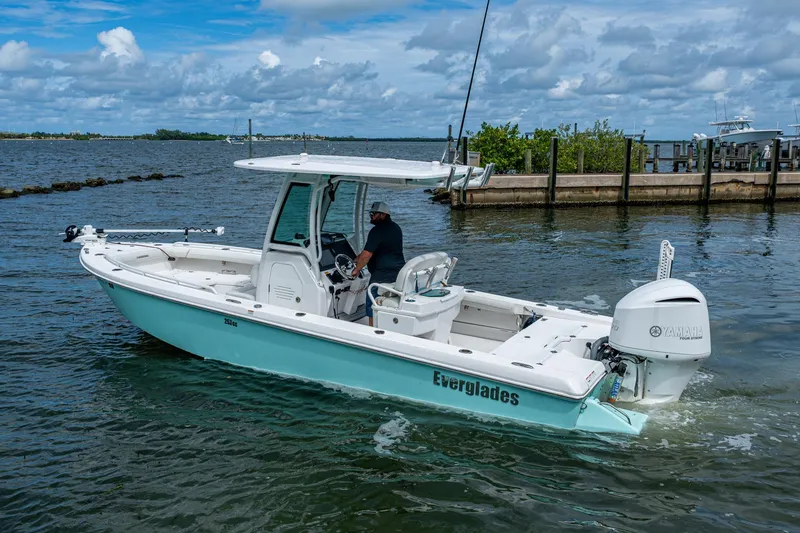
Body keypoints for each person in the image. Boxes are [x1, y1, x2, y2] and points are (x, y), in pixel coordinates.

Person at [352, 201, 405, 326]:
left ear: (383, 215)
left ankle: (372, 330)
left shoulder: (377, 231)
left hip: (382, 274)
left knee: (372, 302)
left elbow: (367, 255)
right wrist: (356, 259)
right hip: (398, 272)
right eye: (371, 213)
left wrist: (357, 269)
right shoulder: (396, 228)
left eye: (374, 214)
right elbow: (380, 249)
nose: (371, 216)